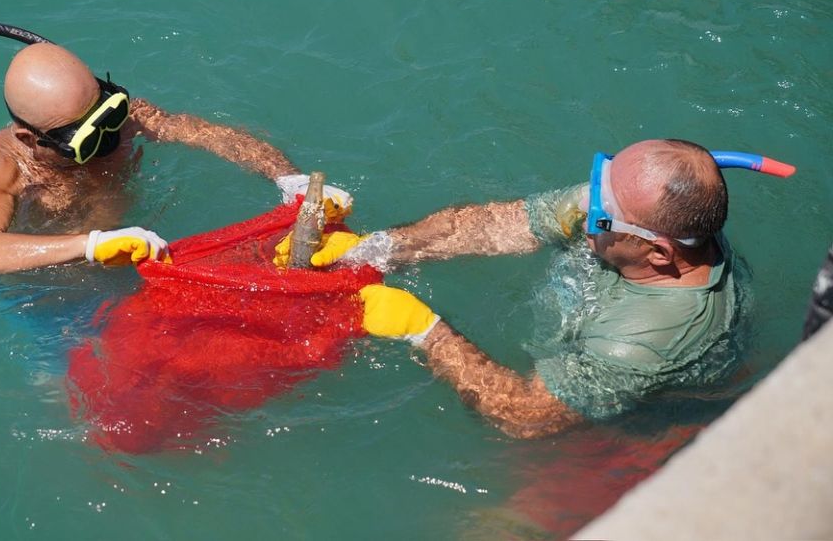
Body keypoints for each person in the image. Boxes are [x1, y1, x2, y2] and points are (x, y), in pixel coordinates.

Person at [279, 139, 794, 438]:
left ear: (658, 252)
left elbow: (524, 416)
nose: (585, 213)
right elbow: (497, 226)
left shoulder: (643, 343)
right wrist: (374, 250)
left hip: (638, 424)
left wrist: (424, 330)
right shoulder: (625, 209)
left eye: (598, 215)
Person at [0, 38, 351, 275]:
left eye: (109, 115)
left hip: (133, 254)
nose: (110, 138)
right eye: (86, 140)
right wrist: (90, 245)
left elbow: (214, 137)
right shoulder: (2, 167)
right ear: (29, 137)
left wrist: (289, 178)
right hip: (53, 285)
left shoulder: (123, 119)